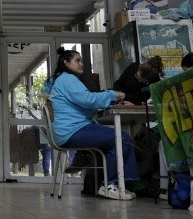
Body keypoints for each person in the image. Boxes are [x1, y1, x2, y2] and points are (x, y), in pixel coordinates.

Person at [44, 47, 140, 200]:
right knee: (121, 138)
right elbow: (87, 100)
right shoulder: (68, 79)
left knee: (116, 137)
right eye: (77, 60)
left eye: (81, 60)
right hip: (72, 131)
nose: (81, 64)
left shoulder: (60, 80)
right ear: (66, 63)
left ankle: (114, 184)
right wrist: (113, 95)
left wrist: (107, 102)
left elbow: (83, 106)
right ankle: (111, 185)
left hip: (67, 131)